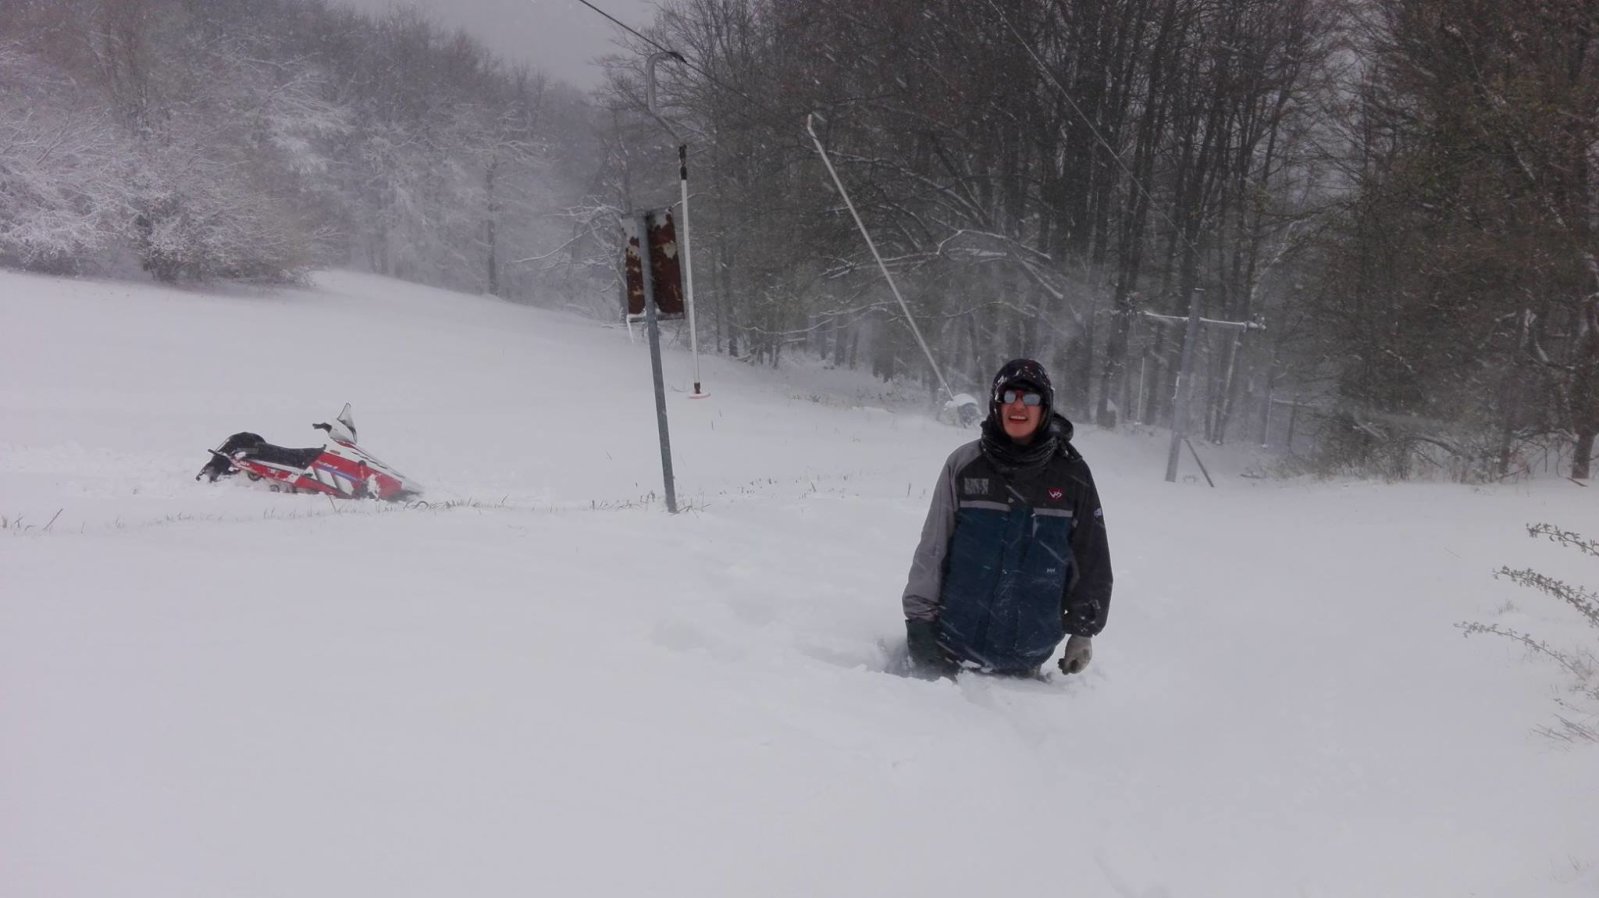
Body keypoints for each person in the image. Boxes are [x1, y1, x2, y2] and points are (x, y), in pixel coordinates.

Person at [901, 358, 1113, 677]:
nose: (1018, 406)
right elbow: (933, 549)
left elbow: (1091, 556)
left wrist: (1083, 631)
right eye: (1009, 396)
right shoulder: (964, 465)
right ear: (995, 404)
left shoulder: (1072, 474)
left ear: (1045, 407)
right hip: (952, 654)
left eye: (1031, 398)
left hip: (1028, 661)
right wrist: (919, 622)